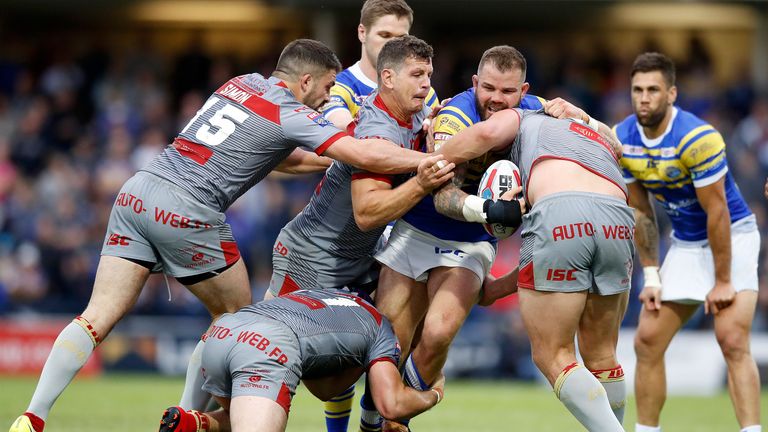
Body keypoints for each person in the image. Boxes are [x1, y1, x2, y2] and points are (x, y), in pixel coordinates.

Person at [8, 39, 435, 432]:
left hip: (139, 189)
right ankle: (188, 418)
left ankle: (32, 417)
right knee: (238, 318)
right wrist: (428, 161)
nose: (327, 99)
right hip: (188, 207)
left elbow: (273, 154)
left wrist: (328, 163)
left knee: (95, 316)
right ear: (305, 80)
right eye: (325, 88)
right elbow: (361, 153)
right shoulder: (290, 110)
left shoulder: (240, 84)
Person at [372, 45, 593, 431]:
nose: (496, 98)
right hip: (417, 228)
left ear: (524, 91)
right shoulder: (453, 118)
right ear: (475, 82)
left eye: (507, 92)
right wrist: (488, 210)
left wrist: (583, 116)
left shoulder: (543, 112)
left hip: (470, 243)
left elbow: (606, 143)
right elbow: (441, 196)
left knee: (439, 332)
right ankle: (384, 417)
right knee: (388, 348)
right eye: (488, 88)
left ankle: (401, 417)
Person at [268, 35, 452, 432]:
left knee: (399, 328)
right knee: (283, 361)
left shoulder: (419, 117)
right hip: (311, 258)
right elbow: (368, 214)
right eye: (417, 75)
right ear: (387, 78)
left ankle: (375, 420)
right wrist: (424, 179)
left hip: (358, 258)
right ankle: (205, 414)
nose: (426, 83)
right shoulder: (377, 127)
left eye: (429, 75)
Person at [435, 105, 632, 431]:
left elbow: (486, 133)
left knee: (553, 355)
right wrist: (586, 116)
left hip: (561, 207)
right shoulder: (581, 126)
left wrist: (432, 158)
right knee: (602, 356)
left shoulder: (521, 117)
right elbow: (620, 149)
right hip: (618, 214)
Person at [616, 52, 761, 432]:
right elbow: (641, 211)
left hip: (733, 237)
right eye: (637, 90)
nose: (644, 98)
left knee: (731, 340)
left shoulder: (698, 137)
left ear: (672, 94)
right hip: (684, 243)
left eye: (653, 90)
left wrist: (723, 280)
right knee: (646, 341)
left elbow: (718, 214)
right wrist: (651, 275)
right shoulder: (623, 139)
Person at [157, 289, 445, 432]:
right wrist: (433, 394)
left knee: (247, 412)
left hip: (221, 333)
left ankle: (194, 423)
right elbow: (391, 405)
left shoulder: (328, 298)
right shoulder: (383, 328)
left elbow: (323, 390)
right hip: (268, 346)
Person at [321, 0, 438, 130]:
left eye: (401, 38)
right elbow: (345, 131)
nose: (392, 46)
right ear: (362, 33)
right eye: (385, 35)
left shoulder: (424, 90)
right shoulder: (336, 87)